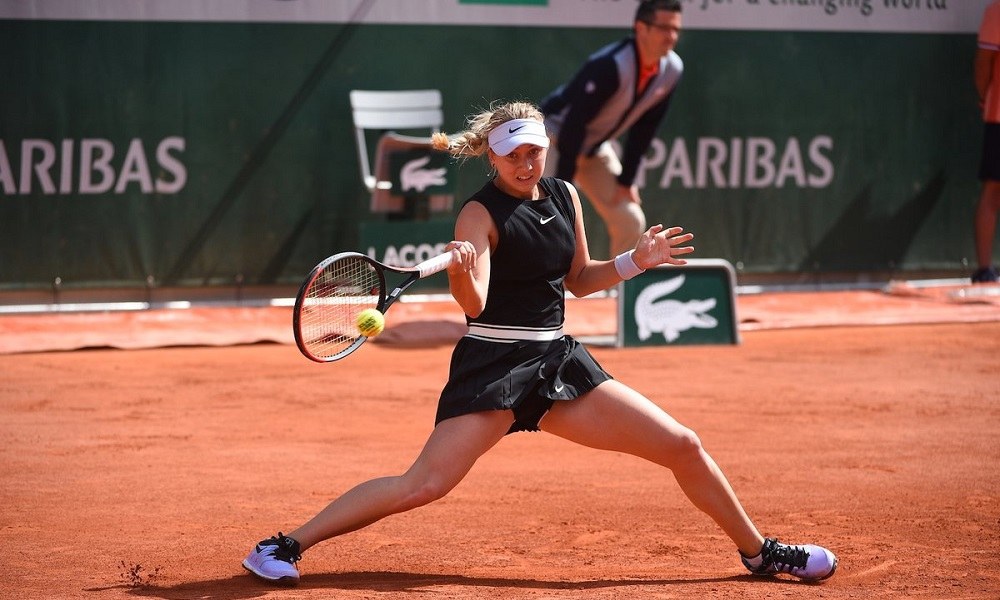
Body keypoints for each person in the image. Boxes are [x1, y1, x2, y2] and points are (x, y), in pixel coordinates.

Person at [242, 101, 838, 587]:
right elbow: (474, 305)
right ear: (493, 157)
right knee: (422, 485)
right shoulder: (477, 214)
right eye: (513, 154)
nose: (526, 163)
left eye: (534, 151)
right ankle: (285, 545)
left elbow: (577, 279)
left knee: (682, 443)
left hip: (557, 364)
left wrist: (635, 261)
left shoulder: (563, 196)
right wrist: (462, 267)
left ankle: (761, 553)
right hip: (494, 367)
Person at [540, 0, 684, 258]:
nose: (671, 36)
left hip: (592, 147)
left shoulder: (672, 69)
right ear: (641, 28)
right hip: (552, 137)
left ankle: (623, 293)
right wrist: (564, 184)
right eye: (664, 28)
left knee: (629, 220)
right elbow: (575, 123)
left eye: (675, 29)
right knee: (543, 218)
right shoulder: (612, 64)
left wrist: (626, 180)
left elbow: (645, 128)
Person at [974, 1, 1000, 283]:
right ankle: (984, 271)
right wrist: (986, 98)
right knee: (993, 190)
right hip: (999, 115)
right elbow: (983, 62)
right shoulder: (997, 10)